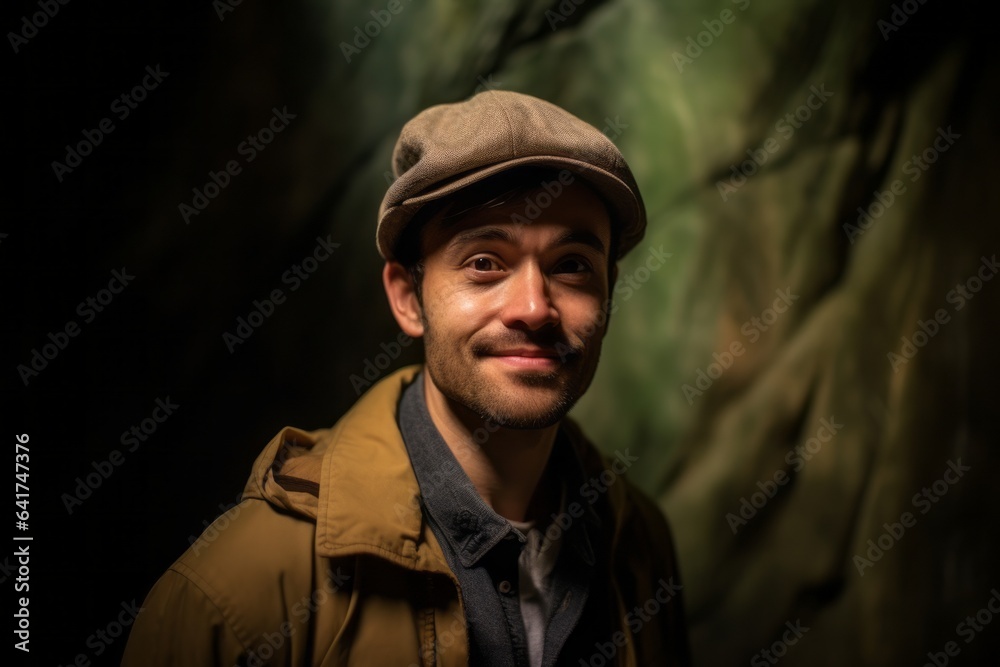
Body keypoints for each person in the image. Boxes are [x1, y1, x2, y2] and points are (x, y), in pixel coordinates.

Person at [122, 90, 690, 667]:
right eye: (485, 262)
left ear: (609, 294)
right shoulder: (242, 592)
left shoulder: (638, 543)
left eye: (571, 265)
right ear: (407, 298)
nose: (534, 307)